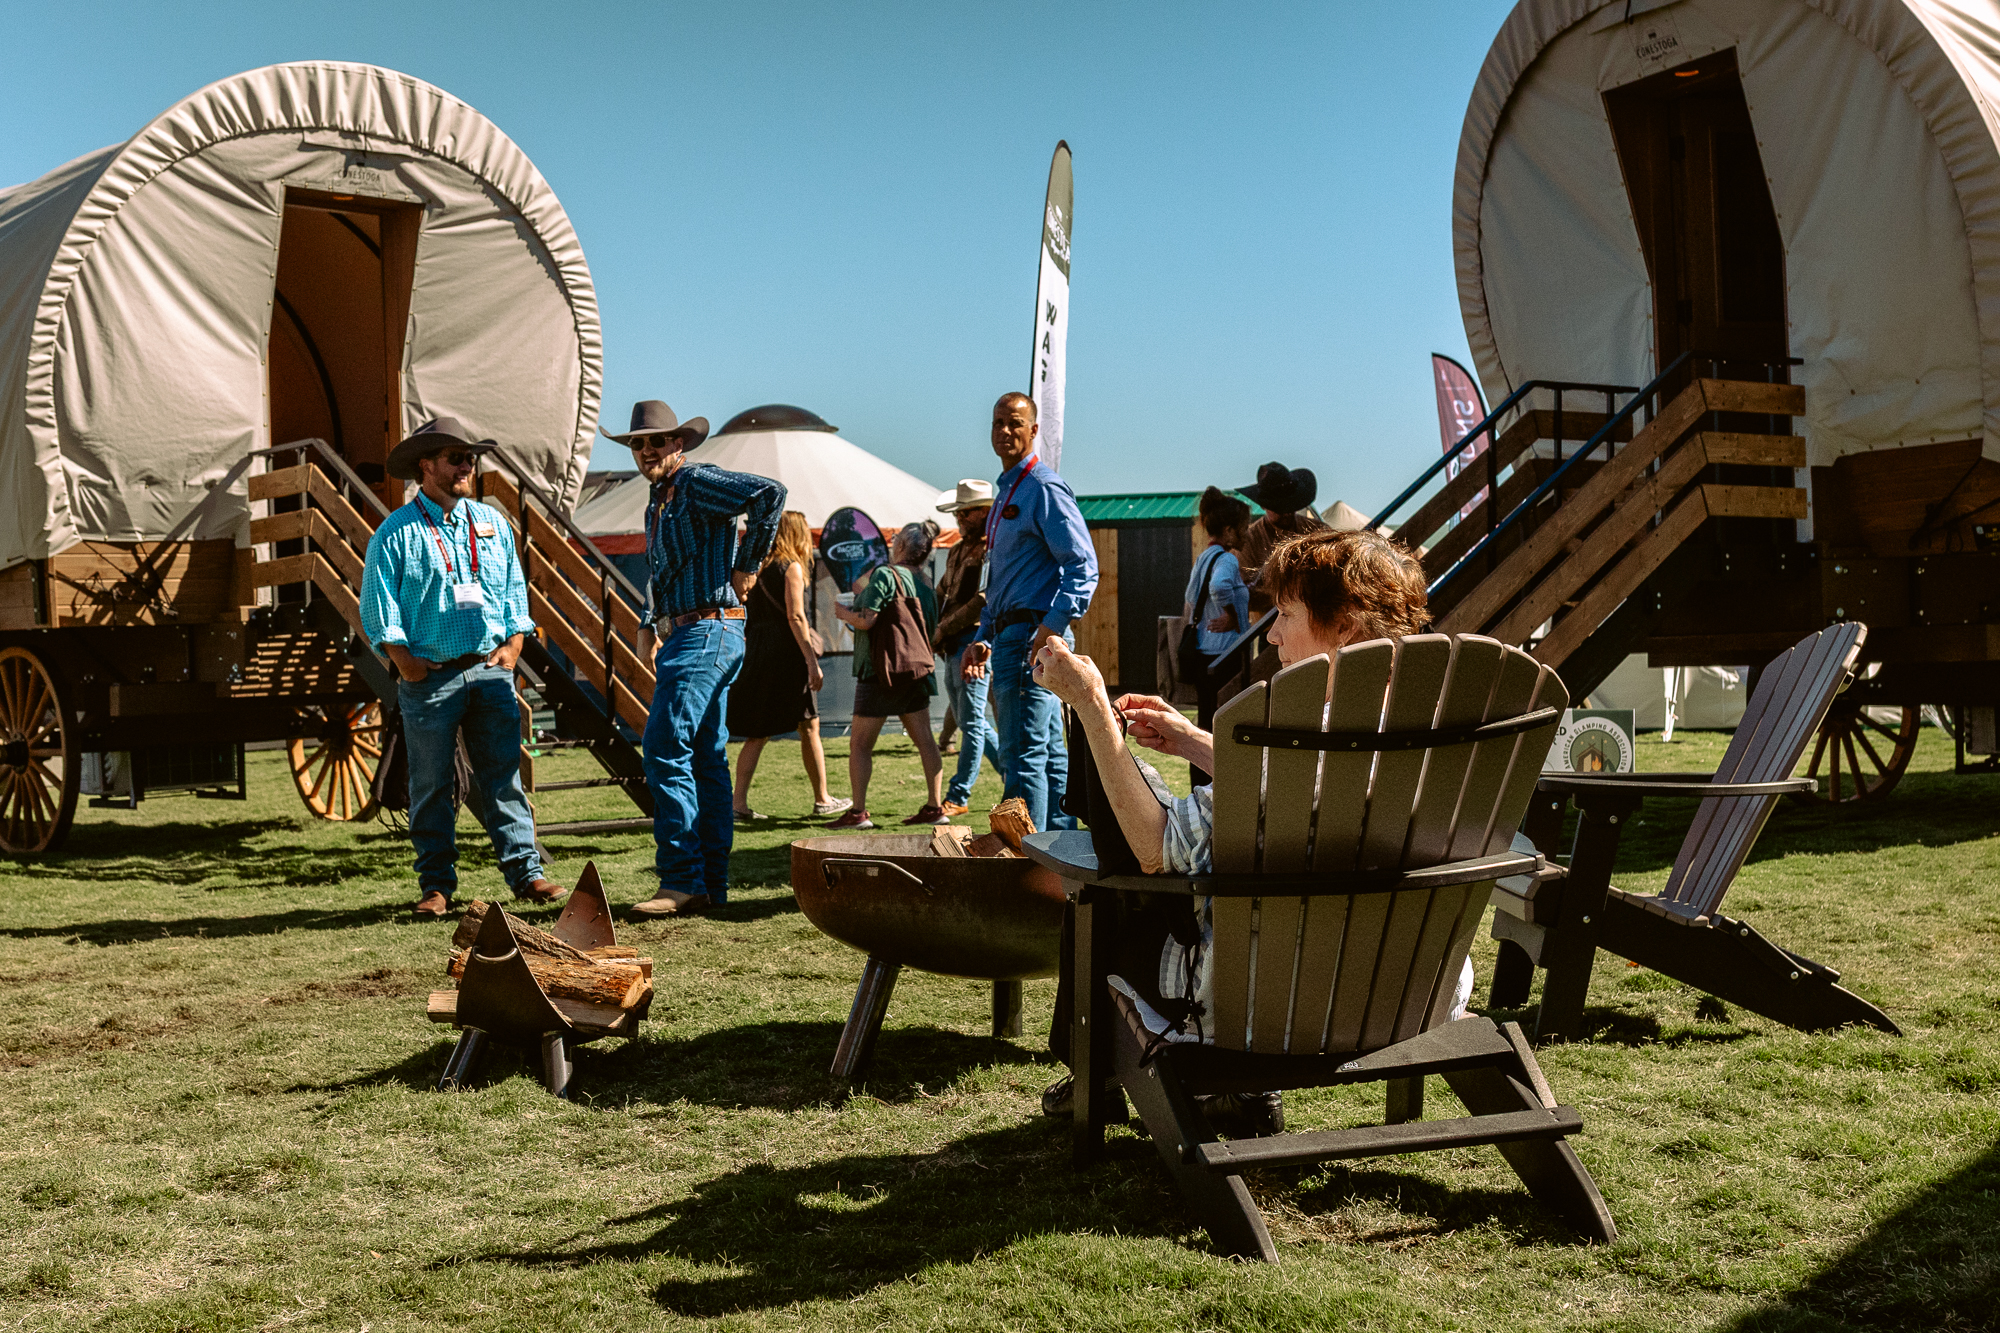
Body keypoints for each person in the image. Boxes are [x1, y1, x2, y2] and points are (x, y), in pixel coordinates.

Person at [1031, 527, 1467, 1132]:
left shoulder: (1293, 731)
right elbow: (1306, 788)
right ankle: (1215, 1096)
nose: (1275, 633)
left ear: (1345, 624)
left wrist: (1092, 708)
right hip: (1412, 988)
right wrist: (1196, 743)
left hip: (1266, 1002)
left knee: (1105, 895)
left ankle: (1103, 1081)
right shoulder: (1444, 726)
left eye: (1287, 613)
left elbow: (1160, 850)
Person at [359, 417, 565, 919]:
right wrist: (405, 664)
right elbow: (377, 608)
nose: (466, 467)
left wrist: (514, 647)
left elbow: (516, 594)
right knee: (430, 785)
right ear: (426, 467)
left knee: (503, 778)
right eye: (456, 458)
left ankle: (526, 874)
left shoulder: (492, 524)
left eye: (471, 458)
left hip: (489, 669)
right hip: (430, 677)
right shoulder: (395, 533)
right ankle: (436, 887)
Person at [610, 400, 786, 918]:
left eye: (657, 441)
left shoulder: (695, 481)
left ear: (678, 444)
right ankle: (711, 884)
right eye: (638, 443)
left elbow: (770, 494)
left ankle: (681, 878)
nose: (647, 450)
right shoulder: (657, 500)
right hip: (698, 631)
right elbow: (662, 573)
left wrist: (747, 565)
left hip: (708, 629)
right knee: (706, 757)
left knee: (664, 746)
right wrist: (649, 621)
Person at [960, 392, 1097, 834]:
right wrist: (984, 635)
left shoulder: (1042, 487)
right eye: (998, 422)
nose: (1005, 431)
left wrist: (1050, 626)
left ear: (1033, 430)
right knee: (1050, 755)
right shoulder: (1006, 494)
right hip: (1011, 635)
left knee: (1023, 757)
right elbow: (1003, 581)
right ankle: (1059, 862)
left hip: (1028, 638)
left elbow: (1083, 565)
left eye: (1015, 423)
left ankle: (1030, 867)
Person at [825, 523, 949, 828]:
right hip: (916, 670)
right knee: (926, 743)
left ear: (902, 546)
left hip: (879, 672)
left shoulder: (885, 574)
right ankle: (935, 808)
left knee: (861, 745)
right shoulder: (925, 581)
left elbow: (867, 620)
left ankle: (858, 813)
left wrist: (845, 615)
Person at [728, 510, 850, 821]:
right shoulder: (791, 567)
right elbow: (796, 617)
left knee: (759, 731)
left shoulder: (756, 567)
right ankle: (822, 799)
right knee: (810, 724)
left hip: (758, 649)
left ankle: (737, 803)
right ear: (797, 533)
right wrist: (811, 661)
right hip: (786, 654)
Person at [933, 480, 1002, 817]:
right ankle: (1009, 774)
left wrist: (942, 626)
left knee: (972, 721)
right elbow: (943, 590)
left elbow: (984, 599)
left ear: (985, 512)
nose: (960, 517)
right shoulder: (959, 549)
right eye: (958, 511)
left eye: (967, 511)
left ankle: (959, 796)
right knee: (967, 719)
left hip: (973, 641)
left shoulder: (992, 547)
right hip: (953, 642)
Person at [1235, 462, 1326, 614]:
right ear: (1263, 506)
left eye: (1290, 505)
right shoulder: (1249, 540)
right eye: (1279, 508)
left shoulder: (1318, 531)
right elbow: (1243, 595)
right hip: (1271, 630)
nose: (1286, 512)